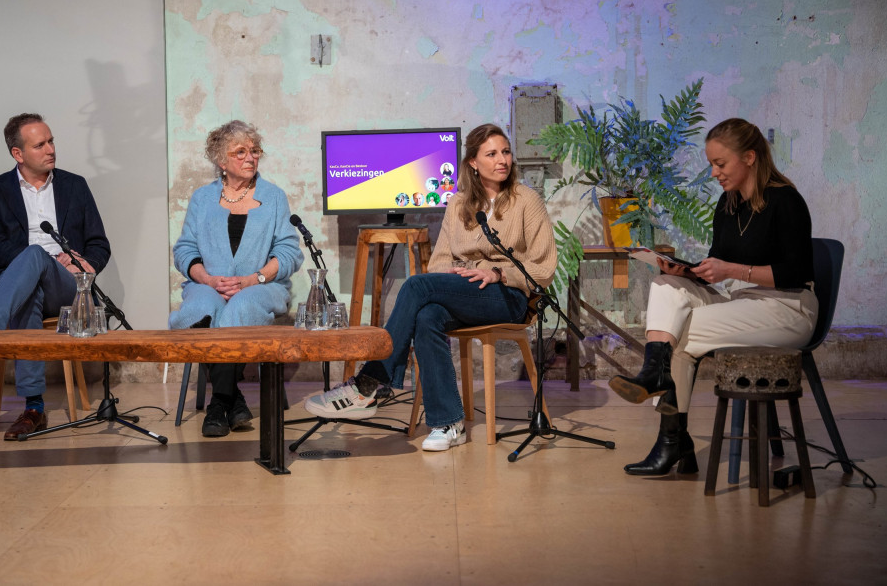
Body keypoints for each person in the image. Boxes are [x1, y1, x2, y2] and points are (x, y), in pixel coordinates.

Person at [304, 123, 557, 451]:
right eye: (492, 154)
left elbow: (543, 267)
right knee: (427, 316)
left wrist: (498, 273)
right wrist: (452, 276)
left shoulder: (527, 201)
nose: (502, 160)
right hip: (466, 292)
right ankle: (449, 422)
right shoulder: (459, 203)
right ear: (473, 163)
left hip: (509, 296)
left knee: (415, 287)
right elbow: (439, 263)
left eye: (505, 152)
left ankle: (368, 385)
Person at [608, 118, 819, 476]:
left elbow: (794, 273)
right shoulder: (728, 204)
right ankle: (656, 380)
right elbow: (717, 262)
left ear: (750, 157)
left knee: (681, 334)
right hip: (742, 303)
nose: (715, 172)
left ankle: (673, 439)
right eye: (711, 165)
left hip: (788, 307)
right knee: (665, 287)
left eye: (720, 164)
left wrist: (732, 271)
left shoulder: (786, 201)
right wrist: (687, 272)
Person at [0, 113, 111, 440]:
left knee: (37, 262)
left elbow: (99, 244)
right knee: (30, 283)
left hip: (64, 285)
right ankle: (34, 409)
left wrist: (84, 263)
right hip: (12, 281)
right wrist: (39, 258)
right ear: (18, 154)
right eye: (40, 145)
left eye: (51, 141)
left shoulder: (74, 185)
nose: (50, 149)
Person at [169, 120, 303, 438]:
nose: (250, 157)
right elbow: (185, 250)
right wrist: (210, 280)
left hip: (262, 287)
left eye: (254, 150)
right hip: (209, 284)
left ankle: (218, 403)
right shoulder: (202, 198)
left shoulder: (273, 197)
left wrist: (252, 279)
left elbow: (289, 253)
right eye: (240, 151)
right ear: (221, 160)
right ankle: (235, 400)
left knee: (237, 311)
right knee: (198, 312)